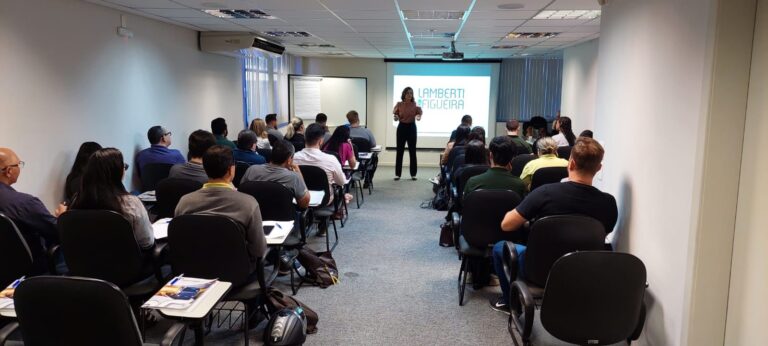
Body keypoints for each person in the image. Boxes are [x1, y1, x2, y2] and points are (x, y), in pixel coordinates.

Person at [489, 137, 618, 313]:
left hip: (537, 270)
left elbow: (507, 225)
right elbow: (600, 235)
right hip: (583, 273)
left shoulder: (545, 193)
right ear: (598, 168)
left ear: (570, 164)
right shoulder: (609, 203)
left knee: (499, 248)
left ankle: (509, 301)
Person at [175, 145, 267, 269]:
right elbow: (258, 250)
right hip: (236, 270)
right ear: (230, 170)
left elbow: (180, 241)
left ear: (205, 168)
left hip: (195, 268)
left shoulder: (184, 202)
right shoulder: (248, 203)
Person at [70, 148, 154, 250]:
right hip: (126, 264)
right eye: (123, 166)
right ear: (116, 172)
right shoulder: (131, 203)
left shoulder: (78, 200)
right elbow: (146, 242)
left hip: (86, 263)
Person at [0, 148, 62, 274]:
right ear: (9, 171)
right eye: (19, 164)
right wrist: (63, 217)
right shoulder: (24, 203)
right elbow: (59, 233)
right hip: (29, 272)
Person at [241, 139, 311, 209]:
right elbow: (304, 204)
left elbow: (241, 193)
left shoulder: (252, 170)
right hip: (283, 218)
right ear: (289, 160)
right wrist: (299, 174)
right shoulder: (294, 178)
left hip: (254, 217)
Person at [292, 123, 348, 205]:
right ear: (321, 141)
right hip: (324, 199)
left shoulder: (293, 158)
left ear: (305, 138)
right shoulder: (331, 159)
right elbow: (342, 182)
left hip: (299, 198)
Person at [393, 86, 422, 180]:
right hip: (402, 127)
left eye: (411, 93)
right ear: (404, 94)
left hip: (412, 128)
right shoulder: (399, 104)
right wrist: (396, 117)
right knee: (400, 151)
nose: (410, 95)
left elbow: (418, 114)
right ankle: (398, 174)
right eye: (408, 93)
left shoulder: (414, 105)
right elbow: (395, 115)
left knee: (412, 151)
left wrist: (418, 117)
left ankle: (413, 174)